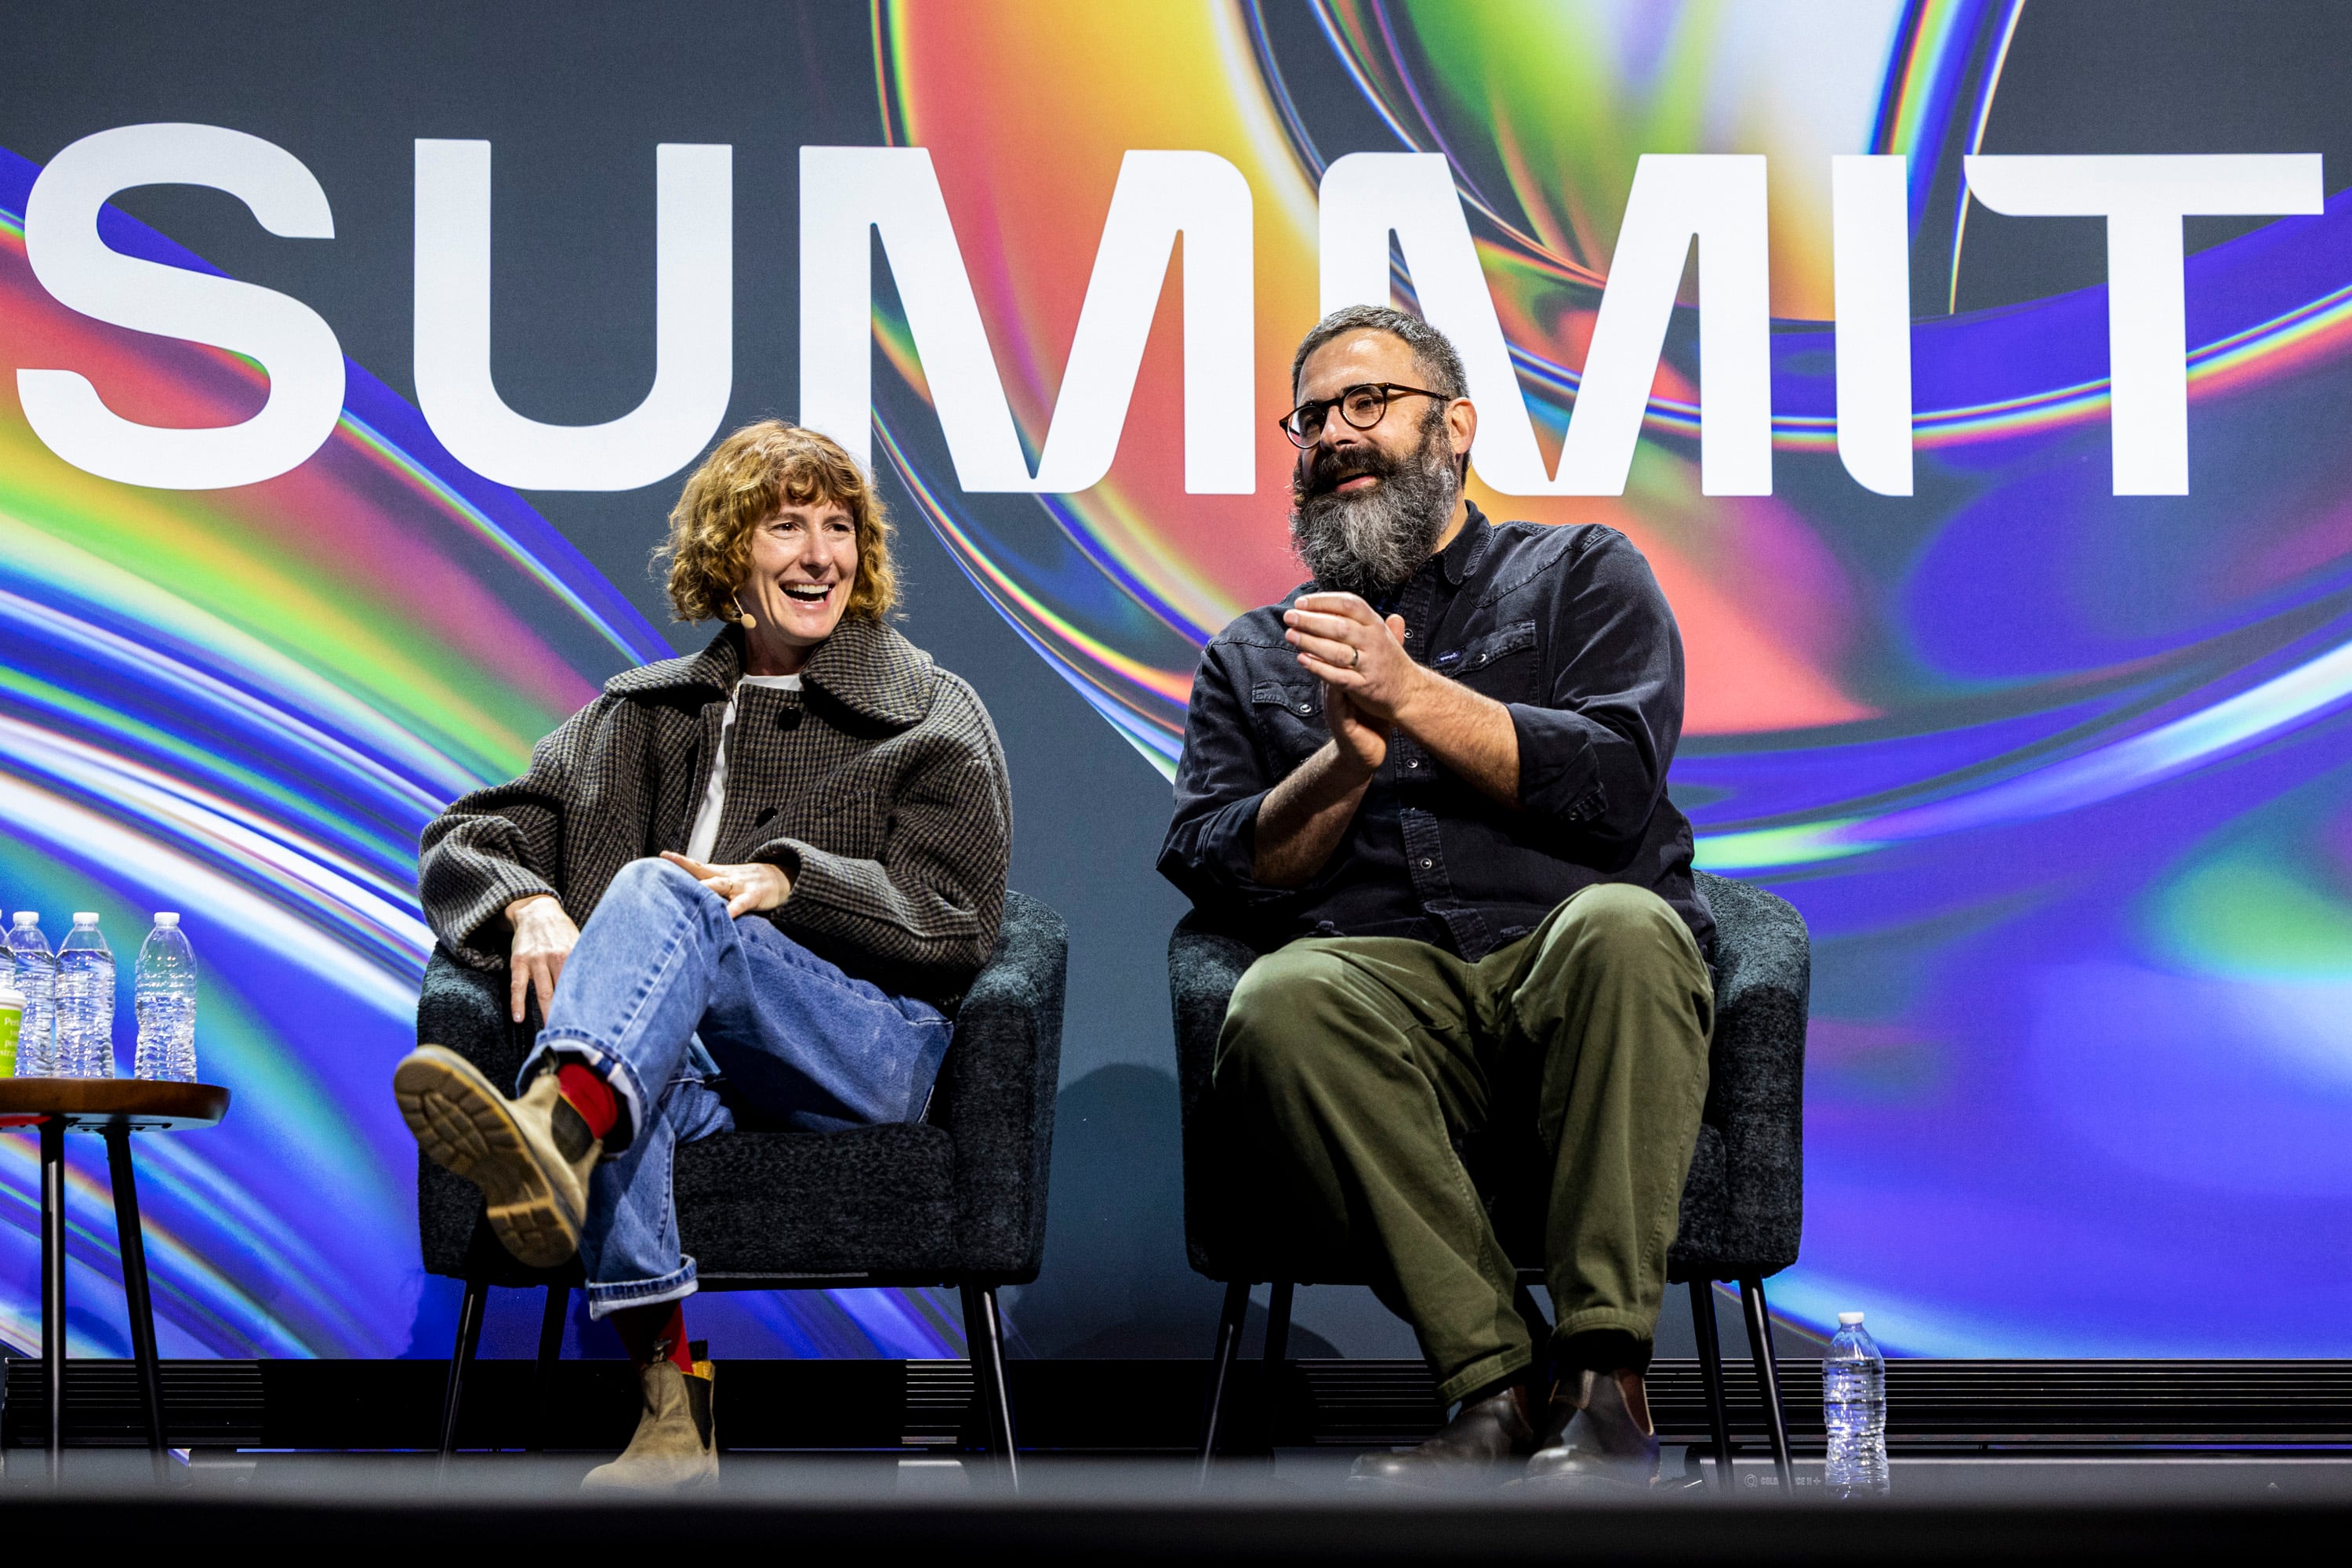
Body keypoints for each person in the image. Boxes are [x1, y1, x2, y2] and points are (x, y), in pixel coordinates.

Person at [1160, 306, 1714, 1490]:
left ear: (1455, 427)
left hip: (1569, 963)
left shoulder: (1580, 573)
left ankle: (1608, 1383)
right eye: (1311, 419)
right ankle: (1499, 1383)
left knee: (1628, 928)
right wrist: (1343, 763)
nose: (1334, 436)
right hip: (1387, 991)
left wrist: (1409, 696)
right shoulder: (1258, 655)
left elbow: (1616, 786)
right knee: (1279, 999)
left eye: (1368, 403)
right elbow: (1218, 863)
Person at [397, 420, 1010, 1491]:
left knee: (651, 892)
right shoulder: (643, 714)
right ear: (733, 555)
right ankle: (672, 1415)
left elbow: (961, 917)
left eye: (839, 529)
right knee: (628, 1083)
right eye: (787, 527)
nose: (820, 554)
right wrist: (528, 903)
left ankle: (555, 1119)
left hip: (862, 1052)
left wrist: (791, 882)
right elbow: (466, 835)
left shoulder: (931, 714)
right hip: (687, 1064)